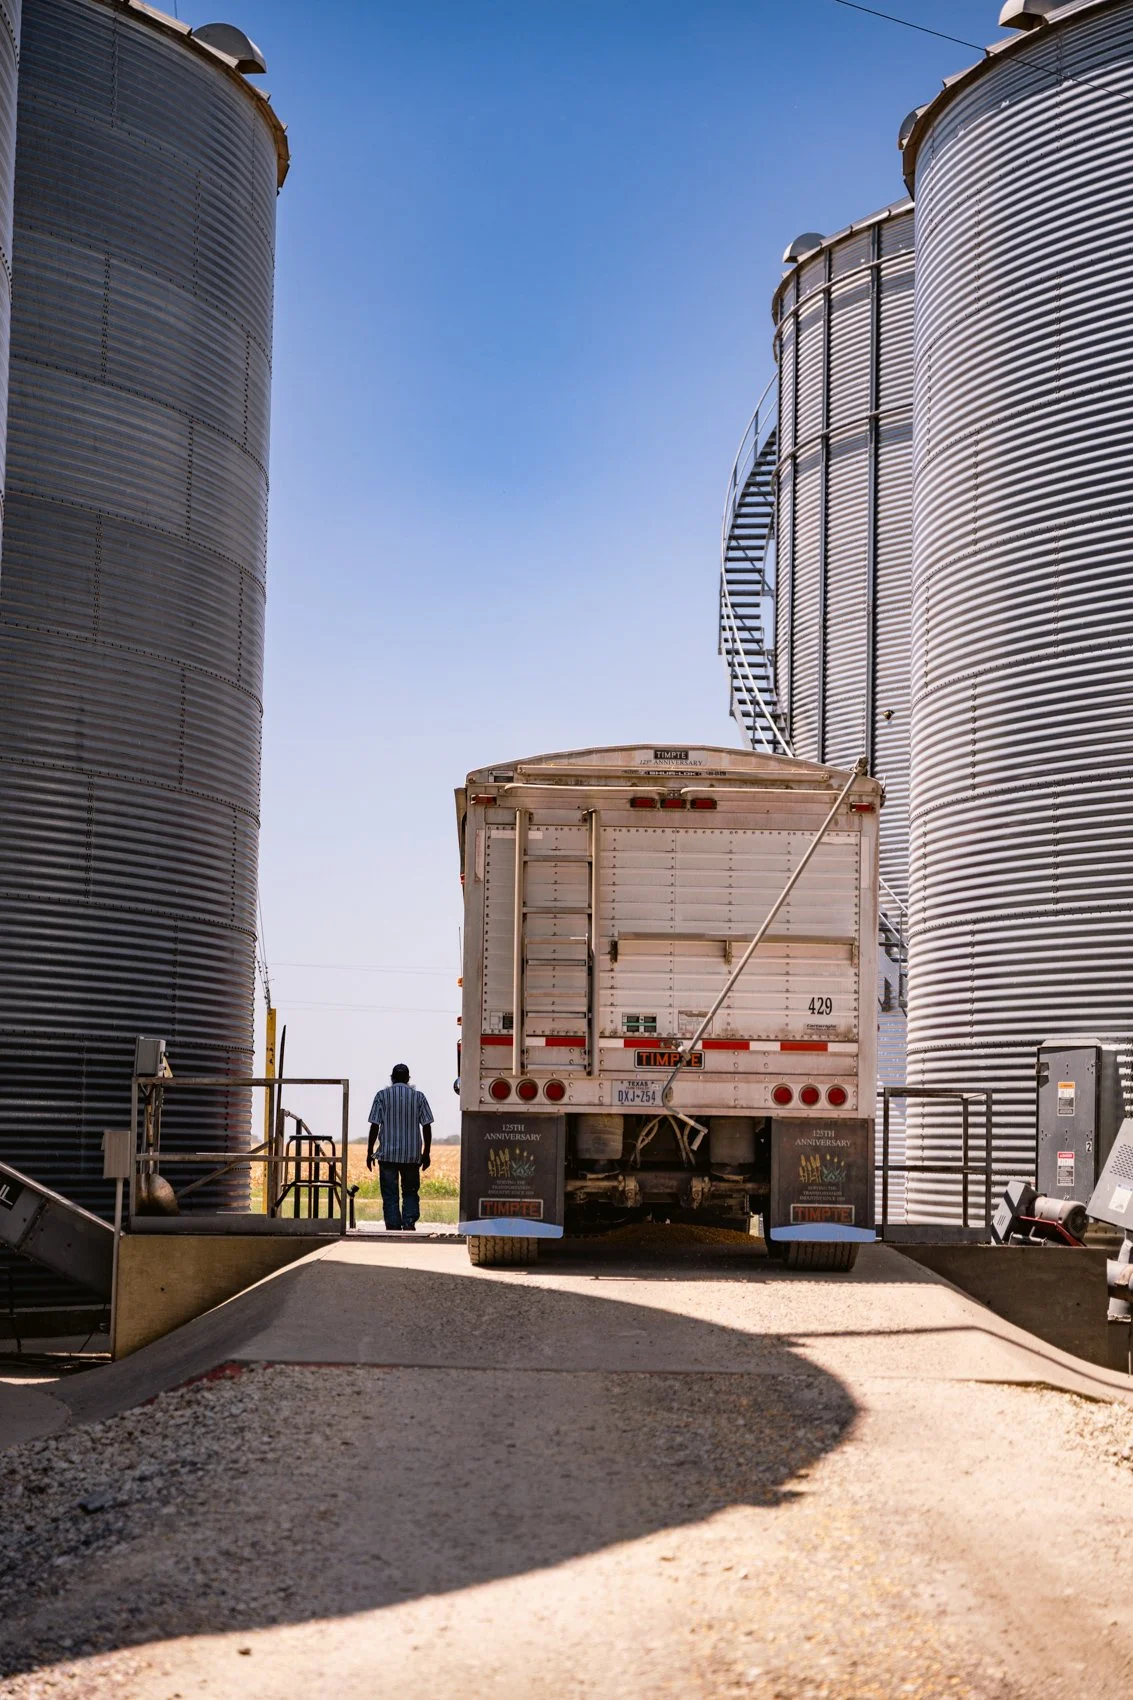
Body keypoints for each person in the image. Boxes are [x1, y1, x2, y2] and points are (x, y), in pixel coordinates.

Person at [366, 1064, 433, 1231]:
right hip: (411, 1155)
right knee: (410, 1191)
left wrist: (369, 1152)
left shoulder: (381, 1096)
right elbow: (427, 1126)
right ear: (408, 1079)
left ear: (392, 1078)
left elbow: (374, 1125)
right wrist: (426, 1153)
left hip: (387, 1155)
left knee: (390, 1194)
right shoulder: (419, 1097)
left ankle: (393, 1225)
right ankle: (409, 1223)